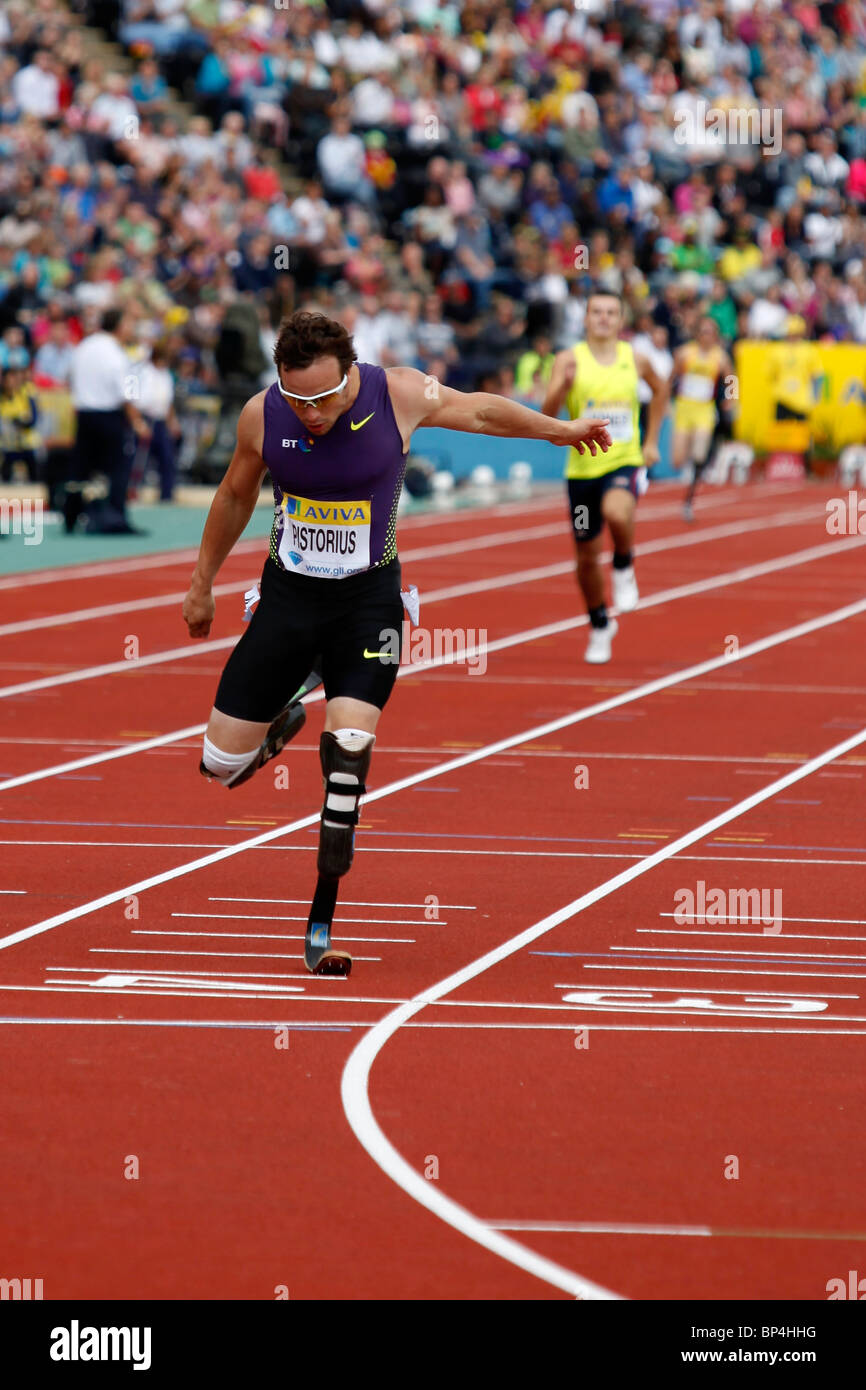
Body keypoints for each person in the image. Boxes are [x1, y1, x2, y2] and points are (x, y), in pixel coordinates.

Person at [181, 309, 610, 931]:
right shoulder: (261, 414)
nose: (311, 412)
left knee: (350, 750)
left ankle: (326, 893)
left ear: (350, 373)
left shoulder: (400, 393)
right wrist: (201, 585)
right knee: (219, 766)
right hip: (288, 601)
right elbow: (235, 495)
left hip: (368, 603)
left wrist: (560, 431)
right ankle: (287, 710)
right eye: (298, 397)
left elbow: (482, 411)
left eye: (324, 397)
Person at [541, 288, 669, 665]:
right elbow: (548, 416)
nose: (603, 318)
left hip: (624, 459)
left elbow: (661, 391)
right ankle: (599, 623)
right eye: (596, 311)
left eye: (611, 312)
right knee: (584, 556)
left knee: (618, 513)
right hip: (582, 468)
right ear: (585, 318)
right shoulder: (568, 359)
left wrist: (652, 441)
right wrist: (563, 386)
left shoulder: (636, 358)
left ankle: (625, 563)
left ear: (621, 320)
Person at [66, 307, 148, 534]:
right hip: (109, 416)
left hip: (84, 415)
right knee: (118, 468)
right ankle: (114, 518)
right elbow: (127, 393)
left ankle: (70, 516)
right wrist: (138, 421)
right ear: (120, 325)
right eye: (129, 323)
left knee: (80, 468)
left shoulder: (84, 346)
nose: (131, 328)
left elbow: (69, 377)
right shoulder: (117, 353)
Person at [672, 316, 733, 521]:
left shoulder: (720, 357)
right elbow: (671, 378)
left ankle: (689, 500)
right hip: (683, 408)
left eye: (711, 332)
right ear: (697, 334)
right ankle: (690, 470)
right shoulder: (684, 353)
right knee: (678, 460)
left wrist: (730, 401)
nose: (708, 336)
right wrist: (665, 402)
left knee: (699, 455)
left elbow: (731, 379)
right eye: (704, 331)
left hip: (704, 410)